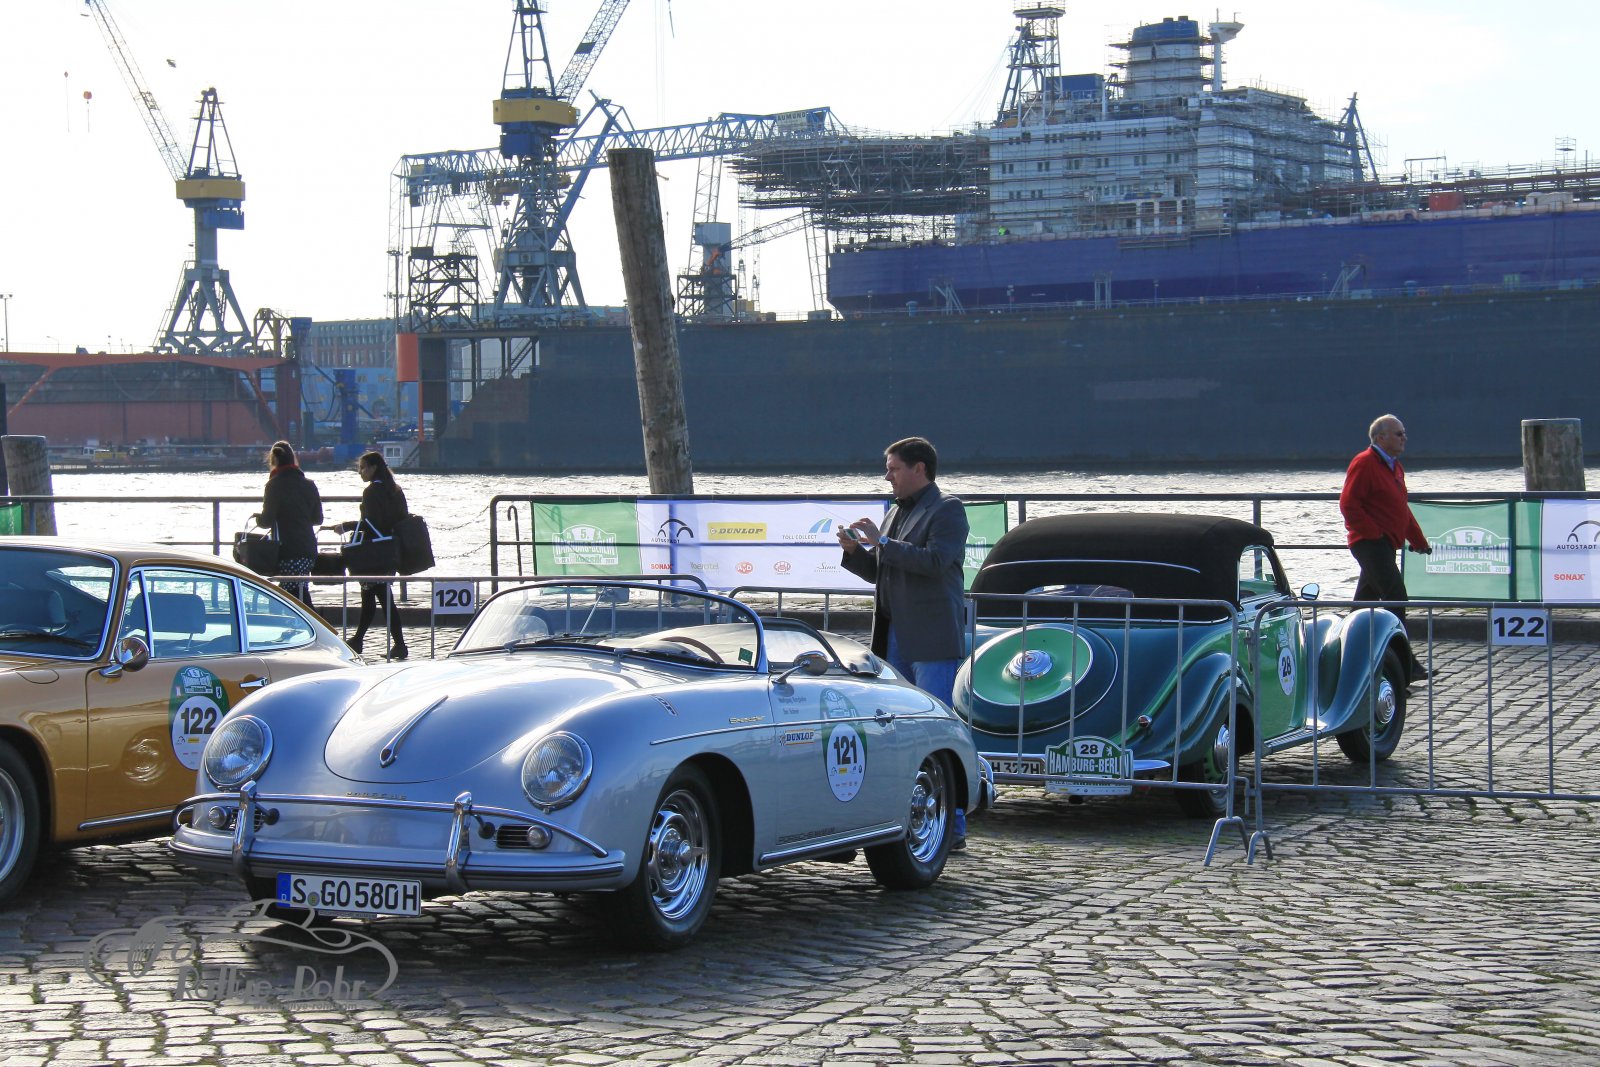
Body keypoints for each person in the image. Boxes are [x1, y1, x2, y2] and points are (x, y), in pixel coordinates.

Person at [839, 436, 970, 850]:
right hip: (893, 634)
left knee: (935, 730)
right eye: (888, 469)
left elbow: (935, 562)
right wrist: (856, 552)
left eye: (894, 468)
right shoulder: (895, 511)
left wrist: (882, 542)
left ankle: (953, 824)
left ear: (919, 469)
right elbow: (884, 571)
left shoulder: (948, 508)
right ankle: (906, 817)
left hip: (931, 638)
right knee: (898, 730)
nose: (887, 476)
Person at [1339, 414, 1433, 681]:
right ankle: (1404, 664)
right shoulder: (1364, 463)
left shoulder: (1395, 467)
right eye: (1399, 434)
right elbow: (1348, 504)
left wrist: (1418, 540)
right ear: (1381, 438)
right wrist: (1373, 533)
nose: (1405, 438)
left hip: (1385, 544)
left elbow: (1400, 509)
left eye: (1404, 433)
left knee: (1363, 604)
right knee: (1396, 597)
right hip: (1370, 544)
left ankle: (1342, 652)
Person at [345, 450, 409, 661]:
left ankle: (397, 644)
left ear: (373, 468)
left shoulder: (371, 492)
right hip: (390, 550)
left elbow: (369, 523)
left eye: (363, 467)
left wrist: (346, 526)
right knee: (375, 595)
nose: (360, 472)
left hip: (373, 551)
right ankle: (360, 639)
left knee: (379, 596)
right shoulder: (395, 490)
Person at [258, 441, 322, 609]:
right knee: (296, 591)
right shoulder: (309, 484)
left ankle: (316, 623)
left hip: (287, 549)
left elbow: (266, 521)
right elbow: (318, 519)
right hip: (308, 548)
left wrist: (258, 519)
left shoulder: (274, 485)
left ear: (274, 460)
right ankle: (300, 622)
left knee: (295, 595)